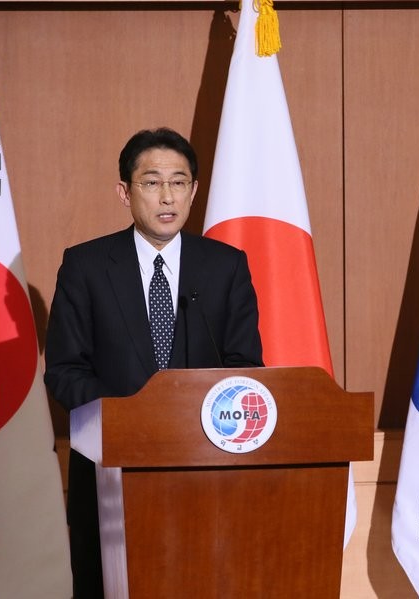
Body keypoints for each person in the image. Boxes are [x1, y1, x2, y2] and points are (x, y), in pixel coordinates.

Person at [44, 127, 263, 598]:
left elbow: (245, 368)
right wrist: (137, 419)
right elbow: (65, 371)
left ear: (194, 191)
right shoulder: (85, 266)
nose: (167, 196)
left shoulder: (226, 266)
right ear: (125, 192)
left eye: (179, 182)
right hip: (109, 475)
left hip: (205, 473)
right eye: (151, 182)